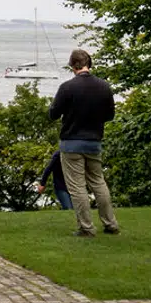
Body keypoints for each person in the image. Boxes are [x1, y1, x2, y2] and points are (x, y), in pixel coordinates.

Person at [48, 49, 120, 237]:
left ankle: (86, 227)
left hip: (71, 143)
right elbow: (110, 115)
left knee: (77, 186)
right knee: (98, 182)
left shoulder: (67, 88)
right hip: (94, 141)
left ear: (72, 65)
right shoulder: (104, 87)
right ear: (90, 64)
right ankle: (110, 223)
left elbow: (53, 114)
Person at [36, 146, 73, 210]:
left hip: (72, 186)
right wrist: (42, 183)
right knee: (68, 208)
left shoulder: (76, 155)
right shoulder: (59, 154)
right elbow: (49, 169)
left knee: (77, 210)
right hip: (61, 187)